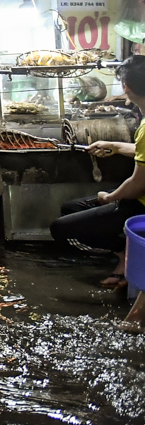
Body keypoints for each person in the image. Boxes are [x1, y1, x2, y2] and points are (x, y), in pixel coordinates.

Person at [51, 55, 145, 287]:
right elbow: (142, 151)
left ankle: (126, 255)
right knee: (70, 208)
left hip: (141, 202)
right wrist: (114, 146)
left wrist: (109, 198)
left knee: (60, 228)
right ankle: (126, 252)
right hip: (139, 196)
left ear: (126, 87)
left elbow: (137, 185)